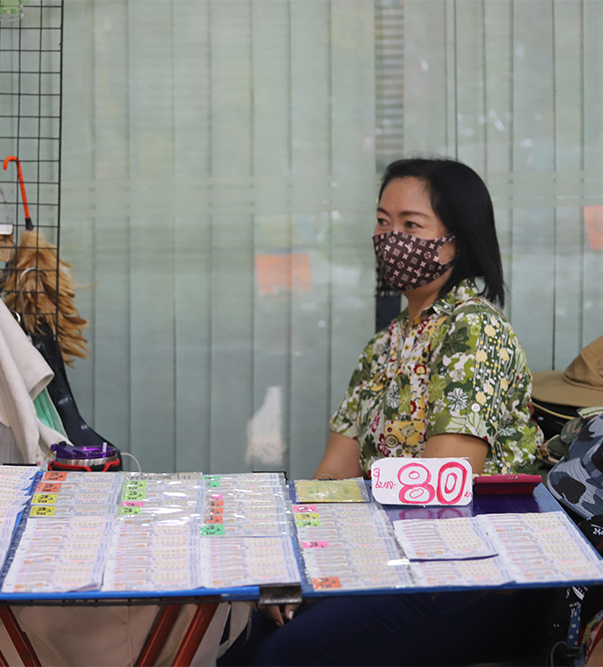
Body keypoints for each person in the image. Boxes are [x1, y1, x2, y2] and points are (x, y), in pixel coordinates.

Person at [227, 158, 547, 666]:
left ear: (456, 240)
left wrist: (343, 564)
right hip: (387, 557)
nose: (390, 237)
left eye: (410, 225)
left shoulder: (474, 331)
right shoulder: (385, 345)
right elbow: (335, 472)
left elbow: (443, 487)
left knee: (287, 656)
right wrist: (297, 563)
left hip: (468, 569)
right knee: (241, 642)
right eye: (382, 222)